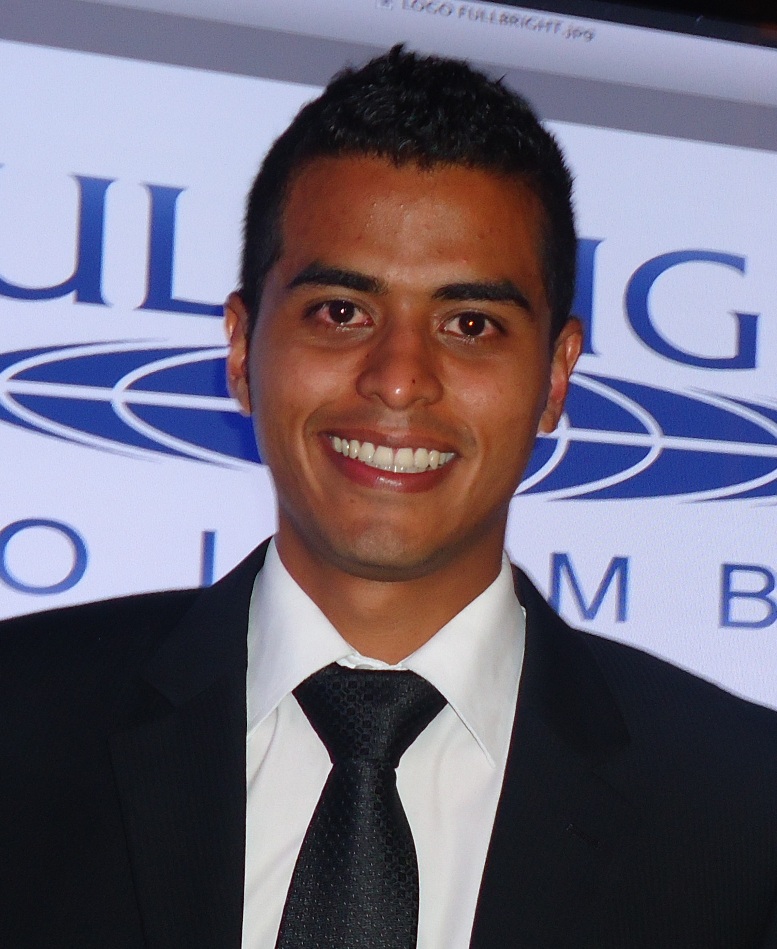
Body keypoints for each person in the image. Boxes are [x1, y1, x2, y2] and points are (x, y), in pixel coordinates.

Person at [2, 46, 777, 949]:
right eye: (341, 311)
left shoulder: (742, 812)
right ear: (242, 348)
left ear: (556, 375)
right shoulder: (21, 722)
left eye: (470, 324)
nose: (399, 378)